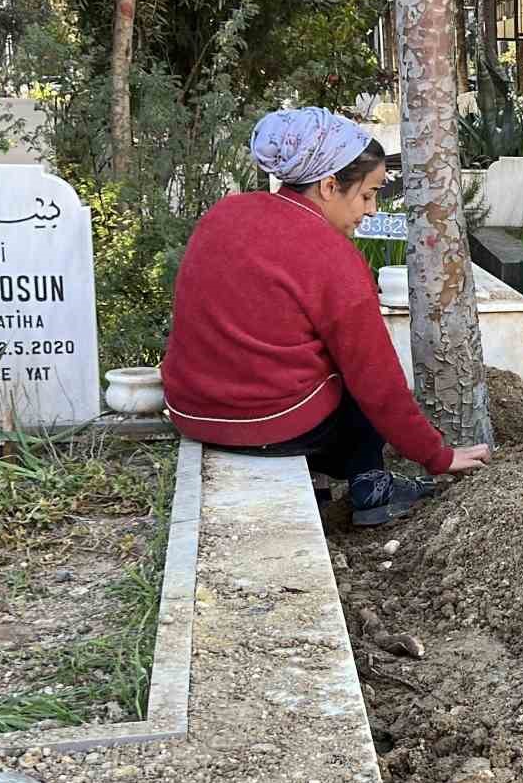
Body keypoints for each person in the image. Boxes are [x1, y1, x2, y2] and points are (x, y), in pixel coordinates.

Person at [161, 106, 490, 525]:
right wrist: (437, 455)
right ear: (329, 185)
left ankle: (328, 478)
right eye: (368, 195)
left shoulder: (223, 214)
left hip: (192, 413)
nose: (372, 210)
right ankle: (372, 485)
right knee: (357, 373)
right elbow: (377, 380)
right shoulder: (332, 255)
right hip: (272, 426)